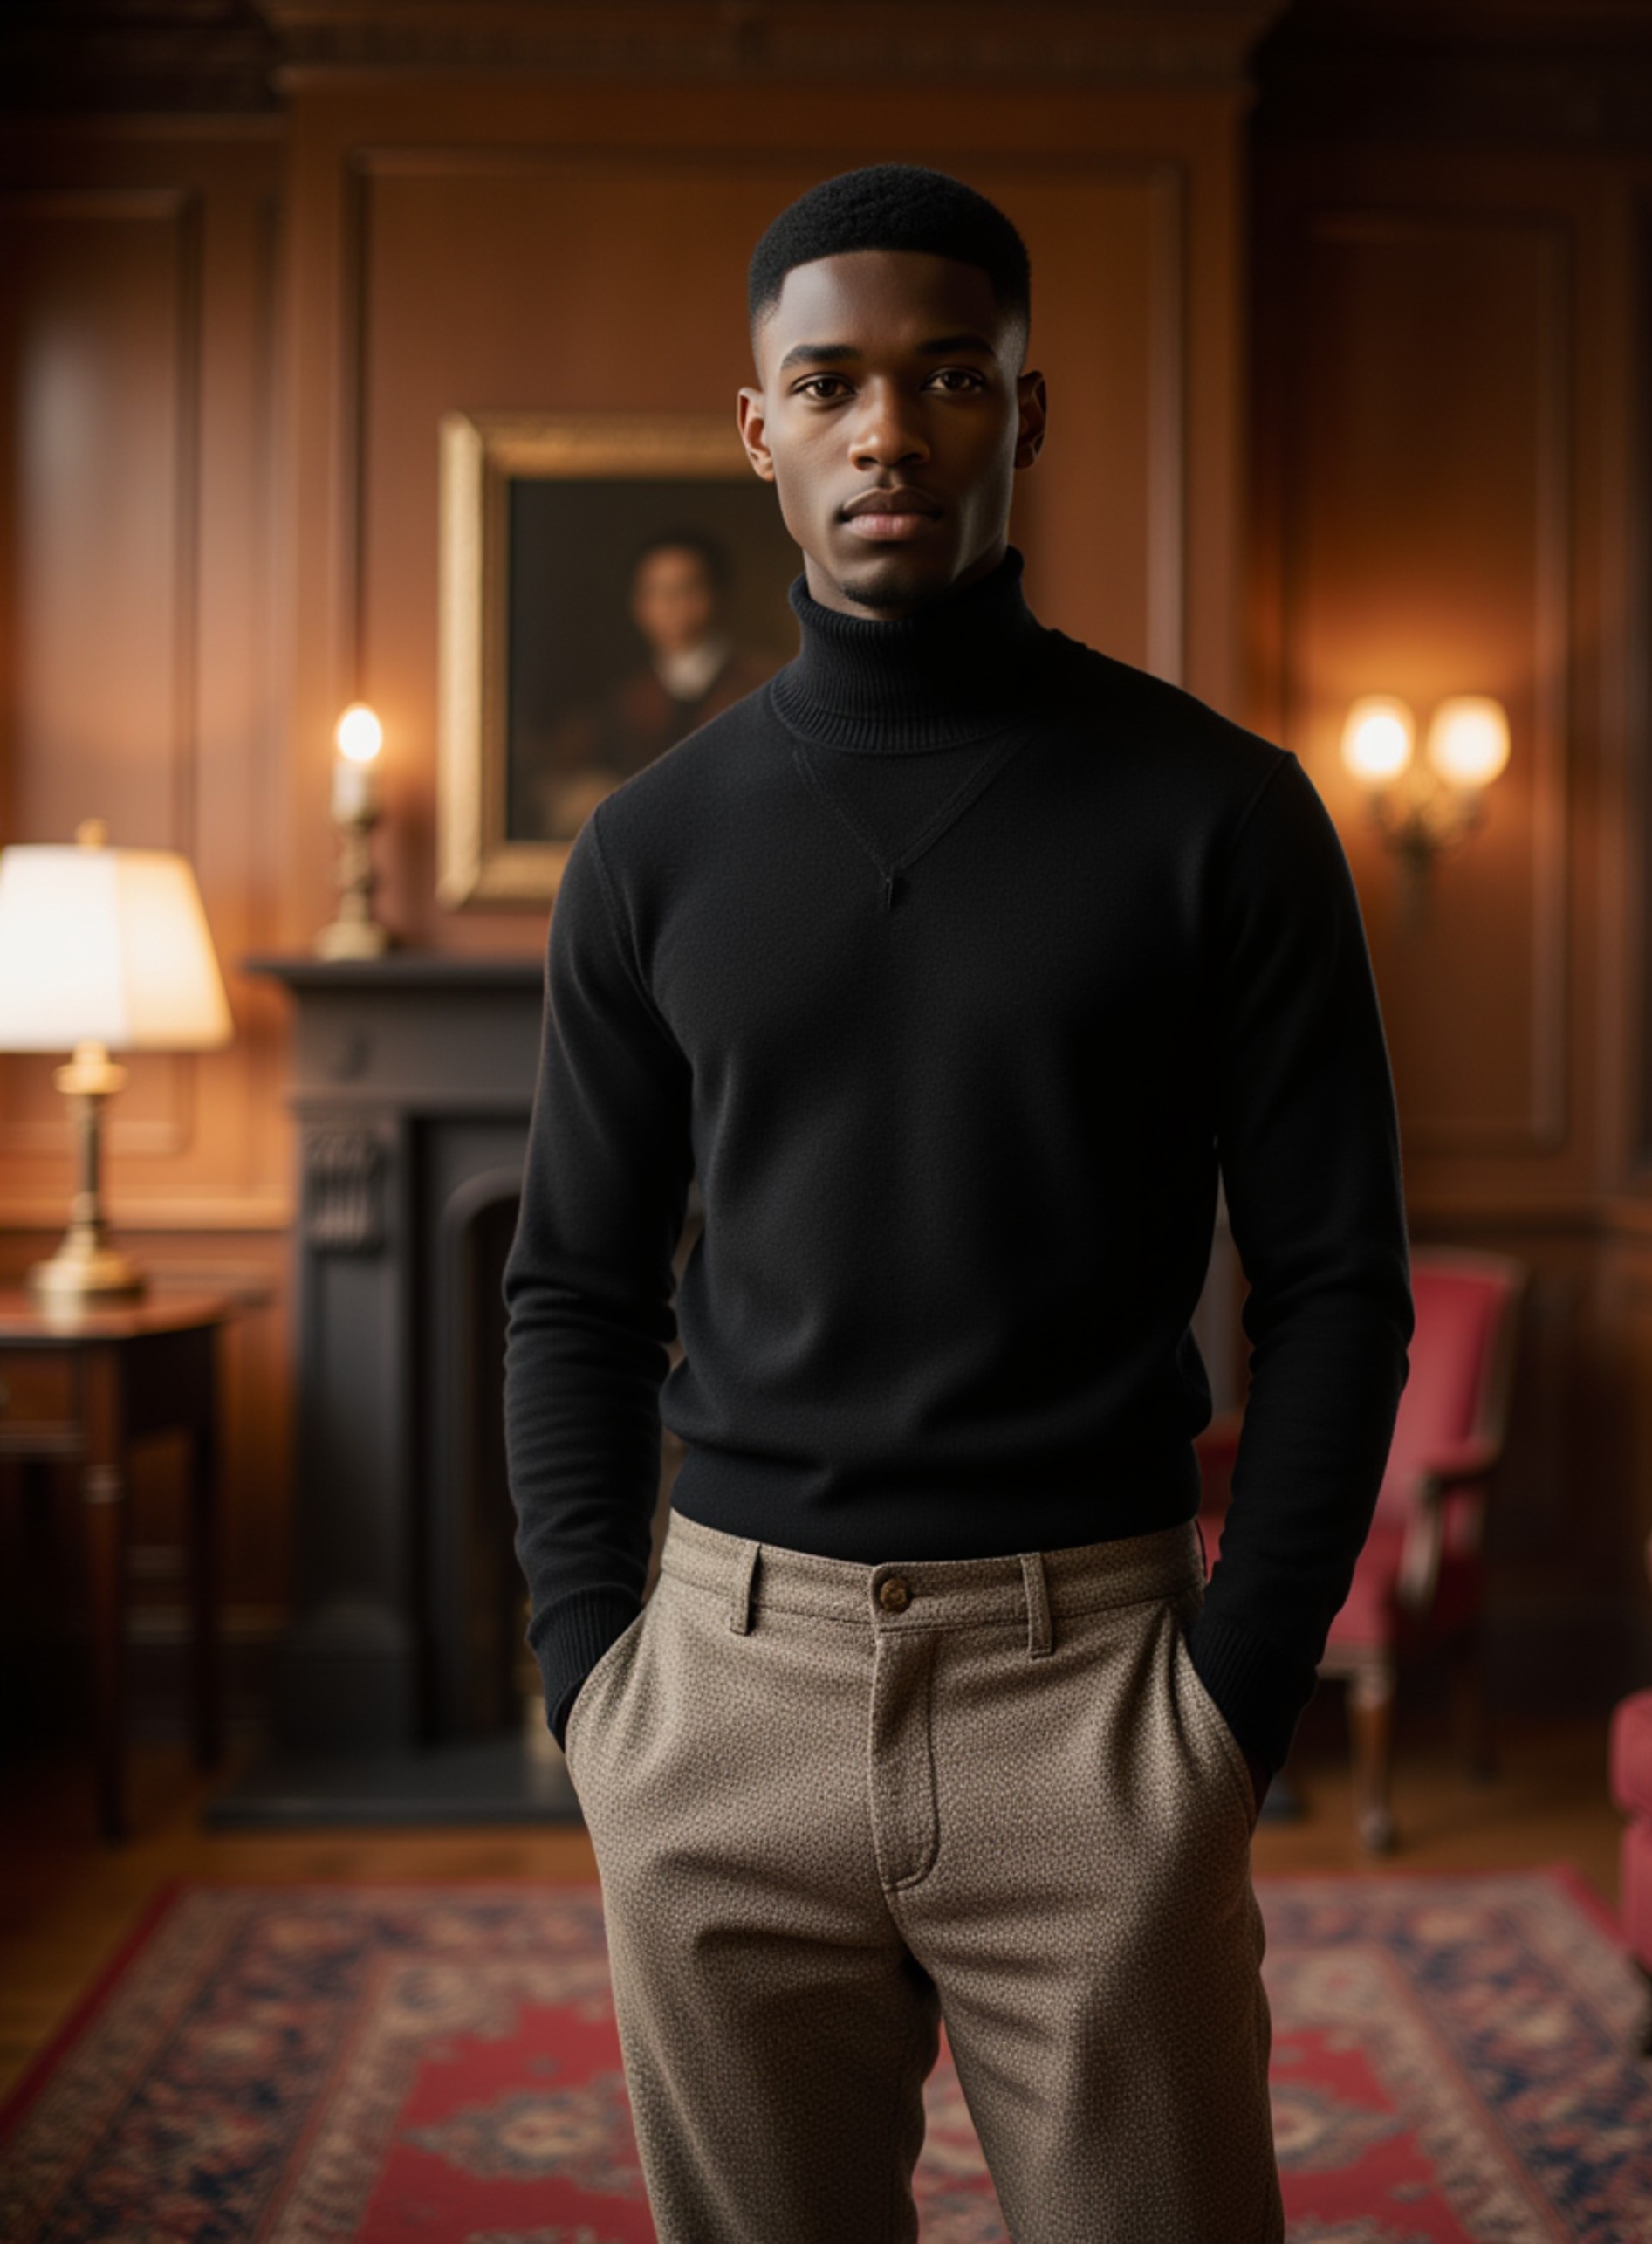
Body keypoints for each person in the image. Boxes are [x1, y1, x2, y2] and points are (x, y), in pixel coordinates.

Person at [504, 163, 1413, 2244]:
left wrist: (1228, 1697)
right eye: (826, 384)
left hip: (1093, 1692)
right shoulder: (647, 852)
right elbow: (568, 1290)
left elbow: (1337, 1285)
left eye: (942, 379)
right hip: (721, 1695)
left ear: (1025, 405)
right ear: (759, 428)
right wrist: (597, 1691)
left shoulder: (1221, 815)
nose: (885, 432)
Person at [529, 530, 779, 838]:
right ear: (638, 604)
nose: (671, 605)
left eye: (686, 589)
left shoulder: (763, 683)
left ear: (719, 595)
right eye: (656, 592)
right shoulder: (623, 695)